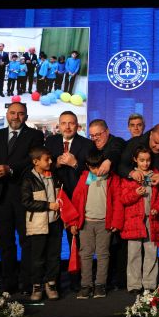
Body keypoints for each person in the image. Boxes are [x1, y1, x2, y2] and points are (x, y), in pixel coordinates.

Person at [0, 102, 44, 293]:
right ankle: (9, 282)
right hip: (0, 196)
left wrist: (10, 169)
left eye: (20, 114)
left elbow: (32, 161)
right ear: (7, 114)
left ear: (26, 116)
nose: (16, 117)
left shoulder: (35, 135)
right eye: (12, 113)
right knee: (4, 242)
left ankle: (27, 282)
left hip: (23, 196)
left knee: (27, 242)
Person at [44, 111, 94, 291]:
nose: (67, 127)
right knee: (53, 244)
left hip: (76, 201)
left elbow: (92, 175)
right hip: (54, 200)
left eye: (71, 123)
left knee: (77, 243)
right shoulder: (50, 142)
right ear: (58, 125)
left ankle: (77, 282)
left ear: (77, 126)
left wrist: (75, 164)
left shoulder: (87, 144)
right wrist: (56, 164)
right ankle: (53, 283)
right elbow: (43, 167)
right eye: (63, 123)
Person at [69, 150, 124, 299]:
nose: (96, 170)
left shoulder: (112, 178)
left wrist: (116, 221)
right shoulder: (86, 177)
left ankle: (100, 285)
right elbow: (77, 199)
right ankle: (86, 285)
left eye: (99, 166)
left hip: (104, 224)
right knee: (85, 254)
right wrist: (73, 222)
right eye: (93, 168)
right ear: (88, 166)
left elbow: (118, 201)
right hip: (86, 223)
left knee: (103, 254)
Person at [119, 146, 159, 293]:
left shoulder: (155, 176)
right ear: (135, 160)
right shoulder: (129, 177)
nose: (145, 163)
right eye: (142, 160)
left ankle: (150, 284)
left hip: (152, 221)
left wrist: (156, 208)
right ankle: (134, 285)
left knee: (151, 253)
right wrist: (135, 193)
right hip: (134, 222)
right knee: (134, 253)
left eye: (148, 160)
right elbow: (123, 199)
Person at [20, 146, 62, 301]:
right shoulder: (28, 179)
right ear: (35, 161)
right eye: (46, 159)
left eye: (50, 159)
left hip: (54, 223)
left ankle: (51, 284)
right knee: (37, 258)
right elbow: (26, 202)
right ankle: (36, 286)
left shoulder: (54, 176)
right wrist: (48, 205)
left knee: (54, 256)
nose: (50, 162)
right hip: (38, 225)